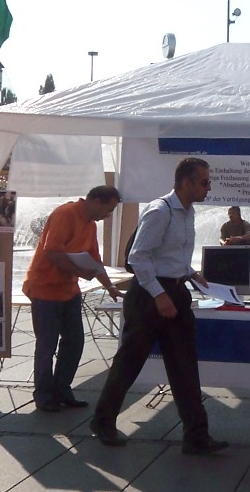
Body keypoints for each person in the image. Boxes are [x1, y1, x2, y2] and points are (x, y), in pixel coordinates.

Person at [92, 157, 226, 453]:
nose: (209, 188)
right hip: (149, 296)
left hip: (175, 292)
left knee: (185, 365)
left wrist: (190, 272)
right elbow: (138, 257)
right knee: (130, 362)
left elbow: (170, 254)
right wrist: (159, 295)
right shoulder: (159, 211)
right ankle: (102, 421)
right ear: (187, 182)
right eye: (205, 182)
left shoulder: (188, 212)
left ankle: (197, 436)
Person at [23, 185, 122, 411]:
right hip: (45, 289)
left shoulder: (90, 224)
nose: (109, 215)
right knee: (47, 345)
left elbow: (94, 259)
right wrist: (80, 272)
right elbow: (53, 252)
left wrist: (110, 287)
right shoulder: (64, 214)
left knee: (75, 341)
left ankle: (62, 389)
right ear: (96, 201)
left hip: (69, 291)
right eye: (109, 209)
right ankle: (43, 395)